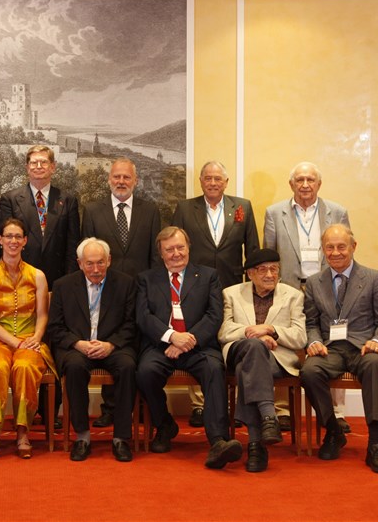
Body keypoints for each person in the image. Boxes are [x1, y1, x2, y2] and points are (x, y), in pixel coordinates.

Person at [136, 226, 243, 469]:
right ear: (161, 253)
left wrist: (188, 340)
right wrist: (172, 337)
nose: (176, 253)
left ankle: (218, 441)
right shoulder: (146, 279)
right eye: (169, 249)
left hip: (199, 346)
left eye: (180, 247)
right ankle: (164, 425)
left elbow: (214, 315)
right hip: (161, 345)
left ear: (188, 248)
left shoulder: (208, 276)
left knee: (214, 369)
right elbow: (143, 316)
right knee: (145, 372)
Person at [301, 225, 378, 473]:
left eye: (341, 246)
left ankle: (375, 445)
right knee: (309, 371)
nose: (335, 252)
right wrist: (314, 342)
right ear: (323, 250)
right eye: (329, 247)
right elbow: (311, 323)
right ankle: (333, 431)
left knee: (375, 364)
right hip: (330, 350)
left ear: (353, 247)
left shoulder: (374, 278)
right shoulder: (313, 283)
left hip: (363, 349)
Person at [263, 161, 352, 432]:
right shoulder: (274, 213)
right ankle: (283, 410)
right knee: (284, 342)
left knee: (333, 342)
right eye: (299, 180)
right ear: (291, 184)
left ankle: (336, 411)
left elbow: (345, 251)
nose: (305, 185)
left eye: (310, 180)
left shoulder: (337, 211)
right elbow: (269, 254)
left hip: (328, 286)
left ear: (319, 184)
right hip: (288, 288)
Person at [171, 160, 259, 428]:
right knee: (199, 340)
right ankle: (200, 404)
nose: (212, 183)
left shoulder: (242, 207)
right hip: (194, 287)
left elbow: (252, 250)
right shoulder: (185, 208)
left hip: (233, 286)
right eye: (207, 178)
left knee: (233, 342)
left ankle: (235, 404)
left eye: (217, 179)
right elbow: (175, 247)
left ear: (226, 182)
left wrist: (253, 288)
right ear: (200, 181)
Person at [81, 157, 160, 428]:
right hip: (106, 291)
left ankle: (140, 406)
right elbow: (87, 252)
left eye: (127, 177)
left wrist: (153, 291)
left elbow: (155, 256)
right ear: (109, 180)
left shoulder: (150, 211)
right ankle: (110, 408)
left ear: (135, 181)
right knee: (109, 346)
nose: (121, 181)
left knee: (139, 348)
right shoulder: (93, 211)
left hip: (141, 291)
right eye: (117, 177)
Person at [47, 238, 137, 462]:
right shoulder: (63, 286)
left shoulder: (125, 284)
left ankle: (121, 438)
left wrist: (110, 345)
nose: (96, 269)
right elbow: (55, 327)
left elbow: (131, 324)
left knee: (128, 366)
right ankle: (82, 437)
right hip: (77, 346)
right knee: (75, 367)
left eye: (100, 263)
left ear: (109, 261)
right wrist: (78, 344)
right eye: (89, 263)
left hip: (113, 345)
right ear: (80, 263)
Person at [0, 218, 55, 463]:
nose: (13, 241)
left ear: (25, 241)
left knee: (24, 367)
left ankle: (23, 431)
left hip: (30, 340)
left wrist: (36, 338)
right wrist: (15, 343)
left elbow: (43, 315)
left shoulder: (37, 275)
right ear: (0, 240)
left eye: (18, 236)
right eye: (8, 236)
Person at [218, 248, 306, 472]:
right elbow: (224, 331)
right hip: (239, 349)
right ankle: (269, 416)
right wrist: (254, 333)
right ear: (250, 273)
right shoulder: (231, 293)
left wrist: (271, 330)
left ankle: (256, 445)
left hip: (276, 359)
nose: (269, 275)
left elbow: (300, 337)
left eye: (274, 269)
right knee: (254, 347)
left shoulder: (293, 295)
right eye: (263, 270)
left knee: (246, 369)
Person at [0, 145, 80, 289]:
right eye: (34, 163)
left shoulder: (68, 201)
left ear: (53, 167)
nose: (39, 166)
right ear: (27, 167)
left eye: (44, 162)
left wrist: (68, 281)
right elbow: (6, 244)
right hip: (19, 279)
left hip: (58, 280)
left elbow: (73, 246)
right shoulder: (10, 200)